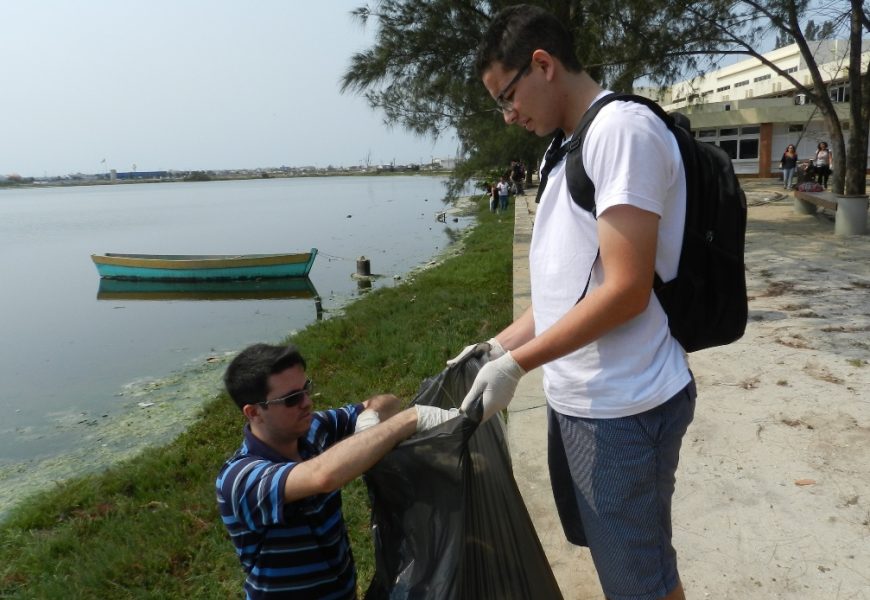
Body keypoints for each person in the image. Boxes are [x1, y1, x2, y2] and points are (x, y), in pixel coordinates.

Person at [451, 5, 696, 599]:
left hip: (623, 408)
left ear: (543, 65)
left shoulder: (621, 132)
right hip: (582, 403)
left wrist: (519, 365)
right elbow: (568, 294)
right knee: (632, 570)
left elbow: (626, 291)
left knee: (639, 581)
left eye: (507, 97)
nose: (509, 116)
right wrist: (497, 347)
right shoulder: (563, 148)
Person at [216, 343, 456, 600]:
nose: (307, 402)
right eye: (291, 399)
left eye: (306, 388)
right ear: (254, 413)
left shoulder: (313, 429)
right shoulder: (240, 478)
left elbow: (388, 403)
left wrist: (370, 416)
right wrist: (411, 419)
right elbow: (323, 475)